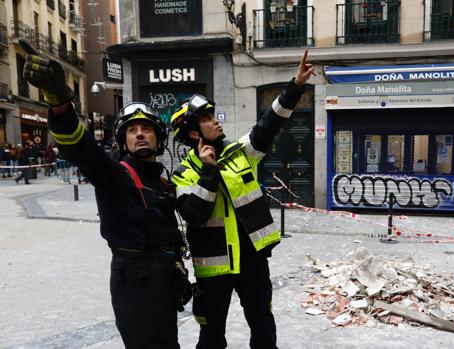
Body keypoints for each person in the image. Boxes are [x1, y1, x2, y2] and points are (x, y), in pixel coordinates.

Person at [20, 39, 187, 348]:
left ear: (159, 137)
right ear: (123, 140)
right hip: (135, 284)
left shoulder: (162, 180)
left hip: (163, 281)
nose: (139, 133)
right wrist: (58, 102)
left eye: (146, 128)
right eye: (132, 130)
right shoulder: (114, 173)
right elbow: (79, 148)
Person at [170, 49, 314, 349]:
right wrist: (209, 172)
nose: (216, 121)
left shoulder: (239, 153)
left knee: (263, 327)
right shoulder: (183, 175)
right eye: (208, 120)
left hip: (252, 263)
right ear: (195, 134)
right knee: (211, 337)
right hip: (213, 271)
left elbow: (268, 125)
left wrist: (295, 87)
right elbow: (194, 214)